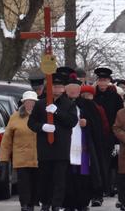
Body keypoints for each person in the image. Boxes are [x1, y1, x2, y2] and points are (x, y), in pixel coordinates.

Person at [28, 69, 78, 211]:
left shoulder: (69, 104)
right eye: (55, 86)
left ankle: (56, 204)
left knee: (59, 180)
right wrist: (42, 126)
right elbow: (31, 123)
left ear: (64, 89)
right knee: (44, 178)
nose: (58, 89)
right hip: (45, 147)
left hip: (61, 148)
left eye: (60, 87)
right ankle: (45, 203)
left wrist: (57, 111)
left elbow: (72, 121)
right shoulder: (40, 104)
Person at [0, 91, 39, 211]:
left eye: (32, 101)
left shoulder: (41, 115)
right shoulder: (15, 117)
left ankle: (32, 203)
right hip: (21, 157)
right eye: (28, 101)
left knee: (36, 182)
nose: (30, 104)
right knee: (23, 183)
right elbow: (7, 139)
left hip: (38, 156)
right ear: (23, 102)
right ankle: (24, 205)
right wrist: (4, 157)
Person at [92, 67, 124, 206]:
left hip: (109, 136)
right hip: (94, 135)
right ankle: (96, 194)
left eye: (105, 80)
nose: (102, 83)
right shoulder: (92, 95)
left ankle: (104, 190)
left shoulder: (115, 97)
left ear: (109, 81)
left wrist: (117, 140)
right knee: (95, 165)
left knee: (105, 166)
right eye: (100, 80)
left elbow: (119, 119)